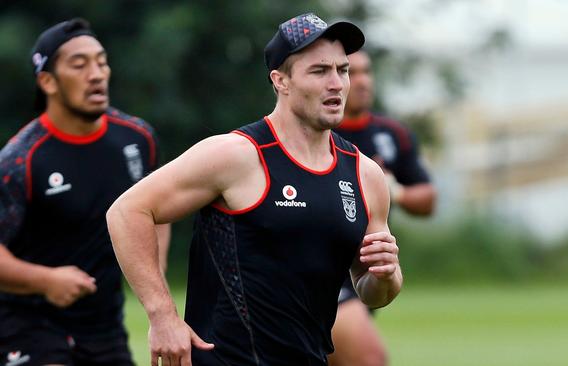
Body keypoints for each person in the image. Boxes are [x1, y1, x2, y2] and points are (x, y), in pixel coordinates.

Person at [106, 12, 402, 366]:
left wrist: (385, 275)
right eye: (319, 71)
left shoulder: (364, 174)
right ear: (281, 81)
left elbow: (371, 292)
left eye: (342, 70)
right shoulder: (237, 155)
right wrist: (162, 316)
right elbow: (127, 211)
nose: (336, 83)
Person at [0, 18, 170, 365]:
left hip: (104, 329)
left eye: (102, 61)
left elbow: (160, 210)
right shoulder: (20, 161)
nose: (96, 73)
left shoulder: (137, 139)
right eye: (80, 65)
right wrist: (45, 280)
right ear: (47, 81)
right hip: (26, 324)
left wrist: (155, 278)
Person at [330, 50, 437, 366]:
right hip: (325, 269)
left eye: (367, 72)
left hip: (365, 268)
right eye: (352, 72)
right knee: (368, 359)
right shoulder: (314, 131)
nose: (362, 82)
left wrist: (396, 192)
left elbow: (428, 199)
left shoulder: (391, 134)